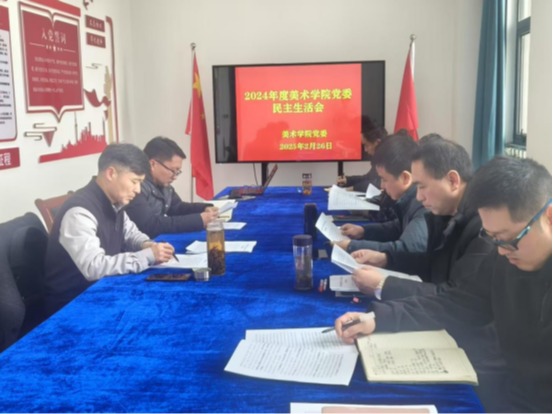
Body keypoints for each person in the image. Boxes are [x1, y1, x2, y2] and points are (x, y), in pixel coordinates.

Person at [334, 156, 552, 413]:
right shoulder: (504, 258)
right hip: (511, 392)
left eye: (509, 239)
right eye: (492, 238)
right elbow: (459, 303)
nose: (502, 251)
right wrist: (378, 319)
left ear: (549, 217)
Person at [350, 135, 493, 300]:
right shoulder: (445, 212)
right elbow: (434, 265)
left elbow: (456, 298)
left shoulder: (485, 226)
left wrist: (383, 285)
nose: (418, 197)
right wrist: (386, 259)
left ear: (452, 181)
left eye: (422, 186)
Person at [43, 143, 176, 316]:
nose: (138, 190)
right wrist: (148, 256)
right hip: (73, 306)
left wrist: (147, 245)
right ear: (111, 173)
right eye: (134, 182)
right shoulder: (79, 212)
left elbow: (131, 233)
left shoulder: (114, 201)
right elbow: (94, 267)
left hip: (102, 291)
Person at [335, 133, 427, 255]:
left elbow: (407, 250)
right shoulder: (409, 198)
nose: (382, 186)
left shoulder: (423, 204)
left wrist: (352, 246)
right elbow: (398, 227)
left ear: (405, 178)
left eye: (384, 179)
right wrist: (363, 231)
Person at [126, 136, 218, 237]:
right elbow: (150, 225)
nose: (175, 177)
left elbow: (177, 208)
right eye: (173, 170)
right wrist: (198, 220)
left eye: (178, 172)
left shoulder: (164, 185)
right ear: (153, 164)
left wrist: (204, 208)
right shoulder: (136, 188)